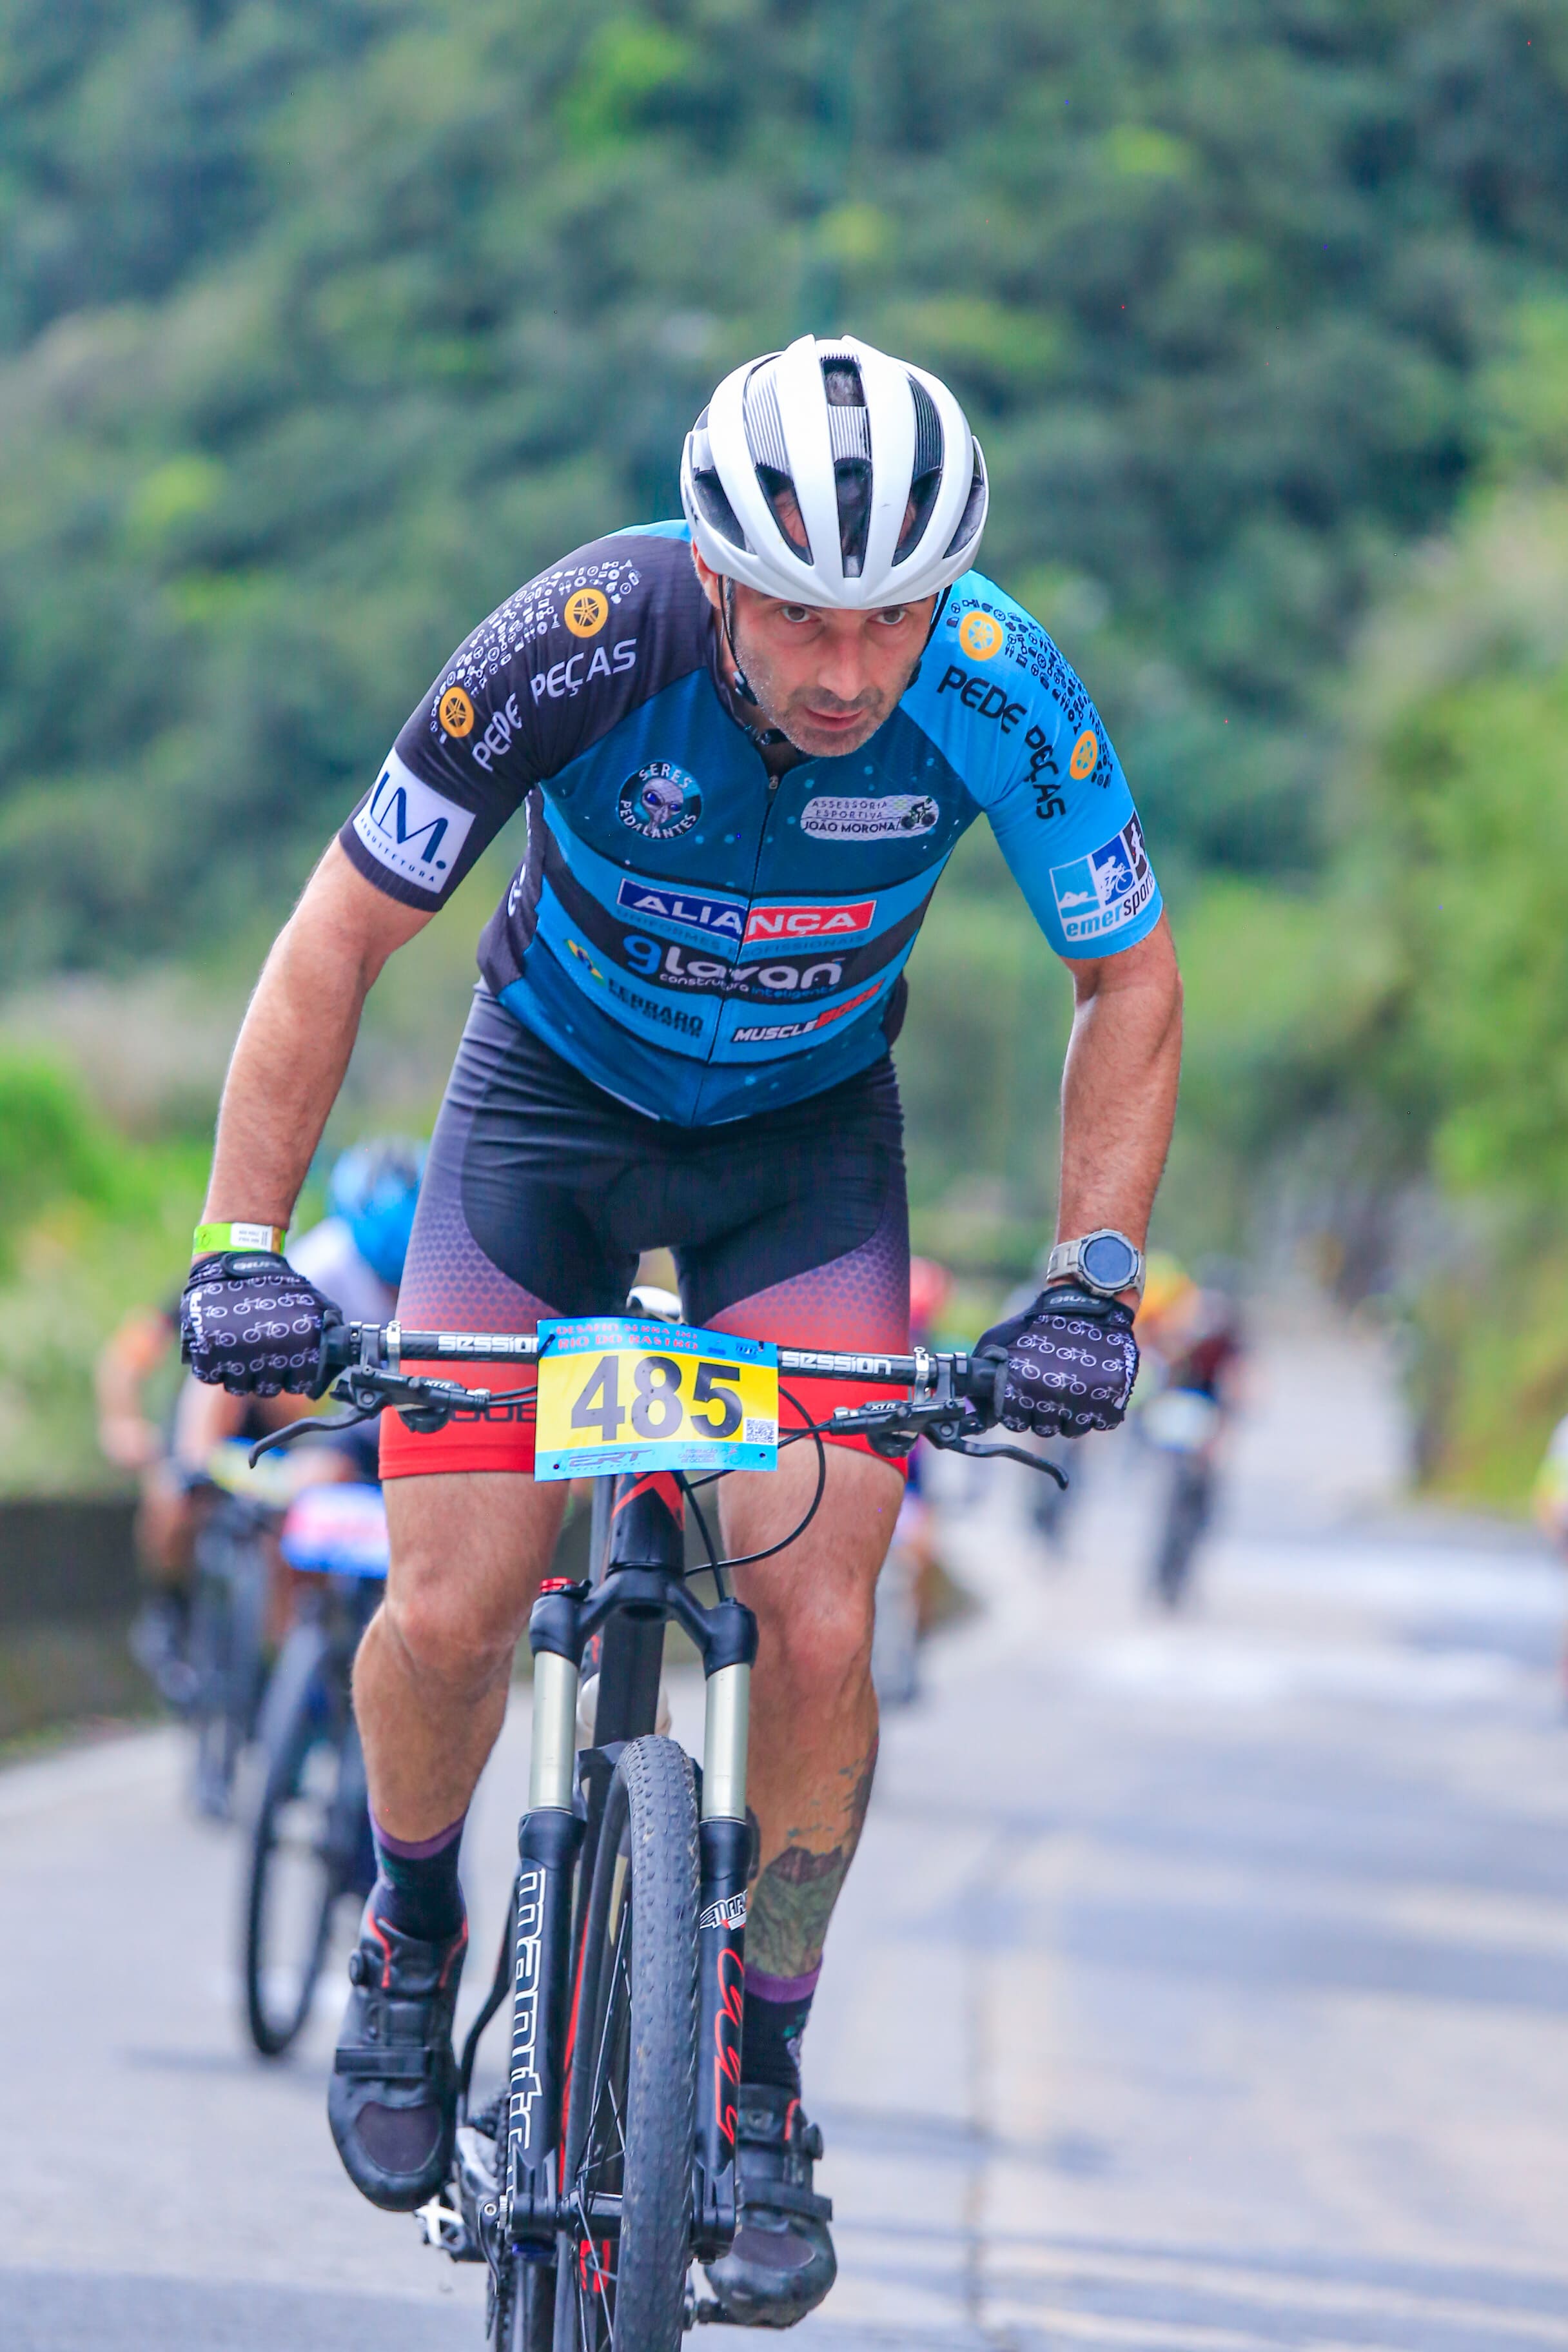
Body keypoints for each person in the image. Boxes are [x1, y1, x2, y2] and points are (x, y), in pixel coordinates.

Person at [179, 335, 1181, 2328]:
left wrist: (1091, 1277)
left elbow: (1128, 978)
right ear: (715, 575)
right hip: (541, 1120)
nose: (849, 668)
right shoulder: (579, 636)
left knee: (821, 1618)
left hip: (805, 1158)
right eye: (803, 615)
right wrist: (240, 1242)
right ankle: (408, 1939)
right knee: (452, 1600)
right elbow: (342, 929)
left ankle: (764, 2070)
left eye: (891, 618)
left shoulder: (1000, 683)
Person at [101, 1141, 423, 1692]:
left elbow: (311, 1408)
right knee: (173, 1497)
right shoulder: (224, 1291)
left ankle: (281, 1668)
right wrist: (125, 1424)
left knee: (291, 1531)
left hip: (286, 1429)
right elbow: (127, 1360)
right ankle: (168, 1614)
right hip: (217, 1414)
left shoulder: (315, 1287)